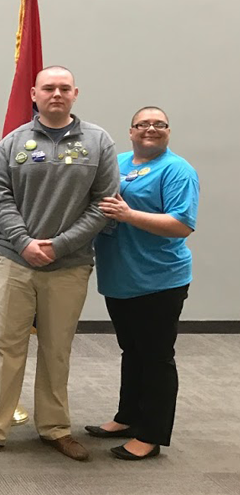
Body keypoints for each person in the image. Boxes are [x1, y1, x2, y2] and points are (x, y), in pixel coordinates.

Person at [0, 66, 119, 461]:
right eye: (49, 88)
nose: (57, 94)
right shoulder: (14, 143)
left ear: (75, 93)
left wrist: (59, 245)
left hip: (70, 265)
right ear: (35, 93)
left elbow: (106, 203)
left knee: (56, 348)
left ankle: (55, 427)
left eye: (64, 88)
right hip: (15, 261)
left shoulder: (99, 142)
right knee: (4, 347)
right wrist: (25, 242)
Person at [86, 107, 199, 460]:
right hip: (120, 278)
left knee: (156, 357)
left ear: (168, 131)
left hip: (159, 280)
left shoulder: (177, 170)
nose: (151, 129)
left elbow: (182, 224)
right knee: (132, 352)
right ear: (131, 131)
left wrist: (128, 215)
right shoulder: (117, 163)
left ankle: (151, 435)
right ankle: (127, 417)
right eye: (143, 124)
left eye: (159, 124)